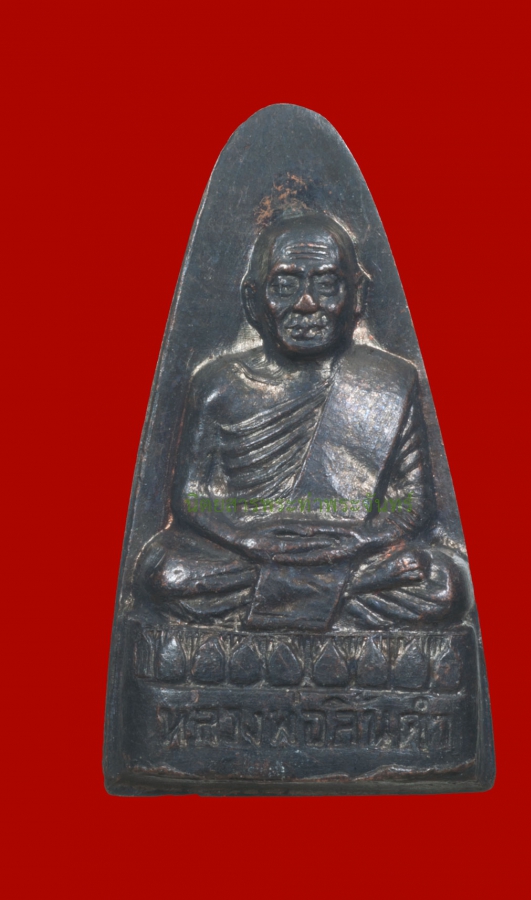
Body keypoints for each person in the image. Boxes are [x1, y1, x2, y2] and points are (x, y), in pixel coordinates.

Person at [137, 212, 468, 628]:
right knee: (164, 571)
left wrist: (358, 541)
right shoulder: (218, 383)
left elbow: (415, 504)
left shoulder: (390, 381)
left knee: (444, 582)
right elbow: (192, 497)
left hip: (352, 552)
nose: (307, 303)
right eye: (284, 285)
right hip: (248, 552)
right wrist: (248, 540)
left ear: (358, 294)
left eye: (326, 285)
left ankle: (287, 601)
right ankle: (330, 599)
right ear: (252, 300)